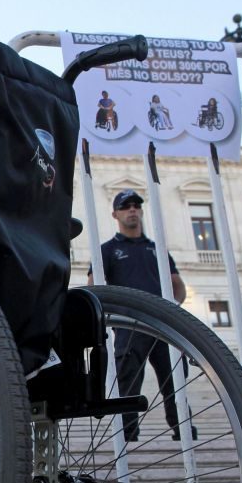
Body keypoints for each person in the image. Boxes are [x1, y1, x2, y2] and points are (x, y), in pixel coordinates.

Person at [89, 189, 194, 443]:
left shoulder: (157, 250)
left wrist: (172, 308)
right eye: (126, 206)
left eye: (136, 205)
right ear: (115, 214)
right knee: (127, 384)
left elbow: (176, 283)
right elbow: (95, 286)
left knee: (175, 382)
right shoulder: (107, 250)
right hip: (129, 327)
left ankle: (183, 430)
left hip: (162, 326)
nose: (132, 209)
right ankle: (128, 433)